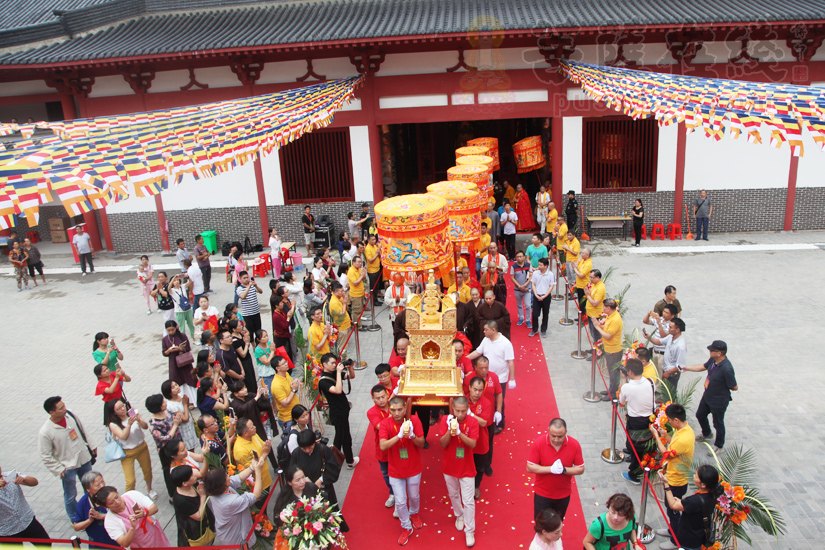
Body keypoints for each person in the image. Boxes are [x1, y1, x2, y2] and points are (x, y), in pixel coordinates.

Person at [39, 396, 97, 520]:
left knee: (91, 487)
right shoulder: (46, 431)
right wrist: (60, 469)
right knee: (70, 495)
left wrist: (91, 445)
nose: (65, 409)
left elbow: (82, 429)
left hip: (83, 459)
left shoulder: (70, 415)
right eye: (61, 408)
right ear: (52, 412)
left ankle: (95, 509)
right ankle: (74, 517)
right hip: (68, 467)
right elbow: (45, 455)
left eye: (64, 405)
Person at [379, 396, 425, 545]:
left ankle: (414, 513)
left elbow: (422, 443)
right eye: (393, 410)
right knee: (400, 502)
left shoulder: (414, 421)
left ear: (405, 409)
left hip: (413, 467)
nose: (397, 413)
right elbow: (383, 446)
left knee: (414, 496)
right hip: (395, 469)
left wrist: (411, 435)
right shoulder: (385, 424)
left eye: (400, 409)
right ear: (389, 410)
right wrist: (398, 437)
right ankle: (406, 526)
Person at [649, 403, 695, 550]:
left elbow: (666, 453)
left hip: (677, 480)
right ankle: (672, 530)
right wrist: (665, 435)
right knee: (670, 509)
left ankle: (676, 540)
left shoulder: (683, 438)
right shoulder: (682, 430)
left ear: (676, 420)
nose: (668, 422)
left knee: (673, 510)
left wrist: (656, 436)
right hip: (672, 474)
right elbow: (672, 445)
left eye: (669, 419)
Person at [681, 340, 738, 454]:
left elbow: (734, 387)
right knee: (700, 414)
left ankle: (719, 445)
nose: (710, 351)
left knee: (718, 423)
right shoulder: (713, 360)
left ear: (719, 353)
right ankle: (707, 433)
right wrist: (687, 368)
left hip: (719, 400)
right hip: (707, 396)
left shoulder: (727, 369)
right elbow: (703, 367)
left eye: (712, 350)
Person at [438, 397, 479, 547]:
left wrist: (460, 433)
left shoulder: (473, 422)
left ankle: (470, 530)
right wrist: (450, 430)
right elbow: (443, 443)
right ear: (452, 408)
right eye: (457, 411)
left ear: (468, 409)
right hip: (449, 466)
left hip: (467, 468)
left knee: (468, 501)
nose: (460, 414)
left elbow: (473, 444)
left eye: (463, 411)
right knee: (454, 494)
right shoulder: (445, 420)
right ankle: (459, 514)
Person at [526, 418, 585, 520]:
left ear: (566, 432)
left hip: (563, 495)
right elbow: (530, 467)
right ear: (548, 430)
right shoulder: (539, 443)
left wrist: (564, 470)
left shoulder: (574, 445)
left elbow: (580, 469)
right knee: (541, 523)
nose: (556, 440)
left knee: (557, 522)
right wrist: (550, 469)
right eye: (553, 436)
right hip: (542, 494)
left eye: (560, 437)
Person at [290, 430, 348, 530]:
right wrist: (303, 479)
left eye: (310, 447)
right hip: (305, 489)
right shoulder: (296, 453)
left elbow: (333, 468)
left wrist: (321, 480)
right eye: (304, 448)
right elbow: (292, 470)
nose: (307, 450)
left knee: (328, 512)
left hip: (323, 488)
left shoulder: (323, 450)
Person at [660, 464, 723, 550]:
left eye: (696, 476)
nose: (693, 476)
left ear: (703, 485)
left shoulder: (694, 501)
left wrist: (666, 484)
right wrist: (682, 503)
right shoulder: (712, 495)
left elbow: (673, 505)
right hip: (698, 536)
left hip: (688, 539)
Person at [467, 320, 514, 432]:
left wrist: (512, 379)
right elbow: (478, 352)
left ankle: (500, 422)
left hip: (500, 377)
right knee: (486, 398)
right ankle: (487, 419)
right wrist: (465, 359)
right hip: (485, 376)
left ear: (493, 330)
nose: (484, 332)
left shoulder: (505, 343)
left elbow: (510, 361)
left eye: (486, 330)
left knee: (499, 399)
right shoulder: (486, 340)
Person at [205, 456, 264, 546]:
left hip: (226, 532)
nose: (228, 476)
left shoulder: (215, 491)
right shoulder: (229, 502)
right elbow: (256, 495)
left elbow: (238, 479)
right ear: (221, 484)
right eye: (226, 477)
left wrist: (252, 467)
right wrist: (258, 471)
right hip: (235, 540)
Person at [104, 399, 156, 497]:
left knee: (147, 471)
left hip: (141, 447)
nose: (122, 409)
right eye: (119, 408)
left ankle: (149, 488)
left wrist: (139, 420)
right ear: (114, 412)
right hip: (127, 453)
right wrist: (128, 425)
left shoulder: (133, 413)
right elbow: (123, 436)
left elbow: (145, 427)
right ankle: (128, 497)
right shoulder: (113, 424)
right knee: (130, 480)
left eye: (122, 406)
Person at [318, 353, 360, 468]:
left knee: (340, 435)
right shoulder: (323, 381)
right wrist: (338, 372)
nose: (334, 365)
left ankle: (335, 458)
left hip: (342, 410)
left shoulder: (334, 373)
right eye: (331, 363)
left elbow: (351, 376)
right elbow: (337, 390)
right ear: (324, 364)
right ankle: (348, 461)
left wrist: (350, 368)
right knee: (344, 437)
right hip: (337, 413)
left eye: (335, 363)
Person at [617, 359, 655, 485]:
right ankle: (635, 457)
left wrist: (623, 380)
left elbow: (621, 400)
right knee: (642, 443)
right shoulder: (650, 382)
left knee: (636, 446)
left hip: (635, 420)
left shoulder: (627, 387)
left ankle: (634, 474)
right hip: (649, 418)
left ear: (630, 372)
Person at [96, 486, 170, 548]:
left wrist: (144, 513)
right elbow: (124, 543)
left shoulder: (132, 495)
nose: (117, 502)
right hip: (138, 546)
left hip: (155, 535)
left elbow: (154, 508)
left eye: (116, 497)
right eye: (112, 502)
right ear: (105, 507)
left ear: (118, 493)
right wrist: (132, 528)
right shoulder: (110, 522)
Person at [146, 393, 183, 499]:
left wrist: (177, 421)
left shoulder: (167, 412)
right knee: (169, 472)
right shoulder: (154, 424)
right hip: (167, 451)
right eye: (163, 402)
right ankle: (172, 495)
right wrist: (175, 425)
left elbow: (175, 422)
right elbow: (165, 439)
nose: (165, 403)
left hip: (177, 444)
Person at [0, 464, 49, 541]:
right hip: (7, 531)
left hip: (27, 521)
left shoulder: (10, 475)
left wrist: (23, 480)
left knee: (46, 543)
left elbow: (35, 482)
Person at [170, 465, 216, 547]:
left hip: (206, 525)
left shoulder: (192, 485)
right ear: (184, 483)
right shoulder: (181, 500)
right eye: (191, 475)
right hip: (195, 533)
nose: (195, 475)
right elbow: (199, 516)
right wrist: (202, 496)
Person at [366, 385, 395, 509]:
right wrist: (393, 416)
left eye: (383, 396)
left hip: (398, 446)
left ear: (388, 395)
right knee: (386, 473)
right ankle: (393, 492)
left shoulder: (395, 405)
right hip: (382, 448)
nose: (381, 400)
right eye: (378, 398)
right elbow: (380, 427)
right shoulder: (371, 412)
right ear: (373, 399)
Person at [73, 471, 118, 547]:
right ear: (88, 489)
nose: (102, 486)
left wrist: (101, 516)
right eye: (98, 485)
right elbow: (76, 526)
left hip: (117, 539)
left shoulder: (111, 495)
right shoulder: (83, 503)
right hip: (97, 544)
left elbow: (122, 513)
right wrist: (89, 520)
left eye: (102, 481)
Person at [591, 298, 624, 401]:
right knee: (611, 371)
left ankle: (613, 394)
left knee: (614, 373)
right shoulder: (611, 315)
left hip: (614, 349)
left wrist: (597, 326)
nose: (602, 308)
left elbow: (608, 336)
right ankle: (611, 389)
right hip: (609, 348)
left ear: (609, 308)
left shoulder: (615, 319)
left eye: (604, 306)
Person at [232, 417, 274, 497]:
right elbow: (252, 468)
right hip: (257, 486)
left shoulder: (253, 435)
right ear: (245, 433)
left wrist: (267, 446)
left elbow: (263, 446)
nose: (255, 427)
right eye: (252, 427)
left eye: (253, 425)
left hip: (266, 479)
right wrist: (265, 453)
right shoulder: (240, 450)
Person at [643, 317, 687, 390]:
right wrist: (649, 337)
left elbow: (681, 366)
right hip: (666, 369)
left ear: (677, 330)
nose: (668, 329)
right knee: (665, 389)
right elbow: (659, 342)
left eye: (670, 327)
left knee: (670, 392)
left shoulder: (681, 346)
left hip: (672, 373)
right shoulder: (670, 337)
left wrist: (668, 372)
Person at [162, 320, 198, 403]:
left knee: (189, 380)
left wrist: (180, 349)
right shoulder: (165, 339)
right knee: (177, 381)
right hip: (174, 364)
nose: (171, 332)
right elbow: (164, 352)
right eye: (169, 330)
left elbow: (188, 348)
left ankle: (193, 400)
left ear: (176, 328)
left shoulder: (182, 336)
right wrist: (168, 351)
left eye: (172, 330)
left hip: (184, 362)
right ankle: (183, 402)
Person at [642, 304, 676, 378]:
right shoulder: (661, 319)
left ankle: (659, 388)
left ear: (672, 315)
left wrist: (659, 323)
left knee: (660, 373)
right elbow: (645, 321)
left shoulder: (671, 325)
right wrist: (648, 315)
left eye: (667, 313)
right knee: (655, 371)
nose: (664, 314)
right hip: (655, 351)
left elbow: (663, 335)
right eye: (664, 311)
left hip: (663, 354)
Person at [162, 380, 197, 450]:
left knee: (193, 448)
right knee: (188, 450)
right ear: (169, 392)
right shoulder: (171, 406)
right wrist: (185, 405)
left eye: (176, 384)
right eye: (173, 387)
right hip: (183, 431)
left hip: (190, 427)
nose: (176, 387)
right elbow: (185, 418)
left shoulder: (180, 396)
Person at [271, 354, 301, 432]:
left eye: (286, 361)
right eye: (283, 363)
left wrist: (293, 387)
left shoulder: (286, 374)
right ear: (277, 368)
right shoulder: (276, 385)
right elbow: (285, 403)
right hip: (288, 419)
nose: (286, 364)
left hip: (295, 414)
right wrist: (294, 390)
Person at [530, 257, 556, 338]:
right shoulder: (535, 273)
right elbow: (533, 284)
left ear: (546, 266)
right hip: (537, 296)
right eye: (539, 265)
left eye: (541, 265)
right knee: (535, 314)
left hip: (546, 297)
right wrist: (536, 294)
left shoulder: (551, 275)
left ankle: (543, 329)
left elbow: (551, 286)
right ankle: (534, 329)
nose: (539, 266)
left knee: (545, 314)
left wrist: (545, 296)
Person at [230, 321, 258, 394]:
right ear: (234, 329)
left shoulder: (240, 334)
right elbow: (243, 354)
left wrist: (246, 342)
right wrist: (247, 343)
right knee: (249, 380)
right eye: (239, 326)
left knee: (252, 377)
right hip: (244, 362)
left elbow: (246, 348)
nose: (241, 327)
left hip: (248, 359)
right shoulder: (234, 340)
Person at [236, 270, 263, 337]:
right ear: (240, 279)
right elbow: (243, 296)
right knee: (250, 333)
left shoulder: (252, 286)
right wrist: (248, 287)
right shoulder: (239, 289)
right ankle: (253, 345)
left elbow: (261, 291)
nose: (246, 279)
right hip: (247, 314)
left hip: (256, 312)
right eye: (244, 278)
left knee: (258, 331)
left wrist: (256, 286)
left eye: (247, 277)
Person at [511, 250, 533, 328]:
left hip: (527, 289)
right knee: (519, 305)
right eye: (518, 257)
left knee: (528, 305)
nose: (519, 258)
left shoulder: (528, 265)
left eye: (521, 256)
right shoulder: (513, 266)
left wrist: (524, 285)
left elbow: (530, 276)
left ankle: (528, 320)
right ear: (516, 258)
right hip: (517, 289)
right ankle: (521, 318)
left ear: (524, 257)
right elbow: (512, 277)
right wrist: (519, 286)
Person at [169, 272, 196, 339]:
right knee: (182, 327)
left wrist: (187, 276)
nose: (176, 282)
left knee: (191, 325)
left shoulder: (183, 287)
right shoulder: (172, 290)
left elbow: (190, 281)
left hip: (188, 309)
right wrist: (174, 277)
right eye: (175, 281)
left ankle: (193, 338)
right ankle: (183, 340)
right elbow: (168, 288)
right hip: (179, 311)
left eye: (177, 280)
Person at [584, 268, 606, 341]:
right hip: (591, 313)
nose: (590, 279)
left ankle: (596, 350)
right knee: (592, 333)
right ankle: (594, 348)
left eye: (592, 277)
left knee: (596, 335)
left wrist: (587, 295)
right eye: (590, 277)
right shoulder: (594, 284)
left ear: (598, 278)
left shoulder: (600, 288)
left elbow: (595, 303)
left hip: (595, 315)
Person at [347, 256, 368, 330]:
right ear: (353, 262)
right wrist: (361, 276)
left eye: (361, 262)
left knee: (360, 310)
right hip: (355, 294)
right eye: (358, 262)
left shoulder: (359, 269)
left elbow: (363, 278)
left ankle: (360, 324)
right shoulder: (351, 271)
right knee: (357, 311)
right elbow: (355, 283)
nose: (360, 263)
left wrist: (364, 273)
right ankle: (358, 326)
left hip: (361, 293)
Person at [365, 233, 383, 304]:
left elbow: (378, 256)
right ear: (369, 240)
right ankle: (374, 301)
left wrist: (379, 254)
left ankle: (376, 300)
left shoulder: (375, 246)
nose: (374, 241)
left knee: (377, 286)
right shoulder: (367, 248)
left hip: (377, 269)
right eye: (372, 239)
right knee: (373, 287)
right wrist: (376, 254)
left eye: (375, 239)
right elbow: (370, 260)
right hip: (372, 271)